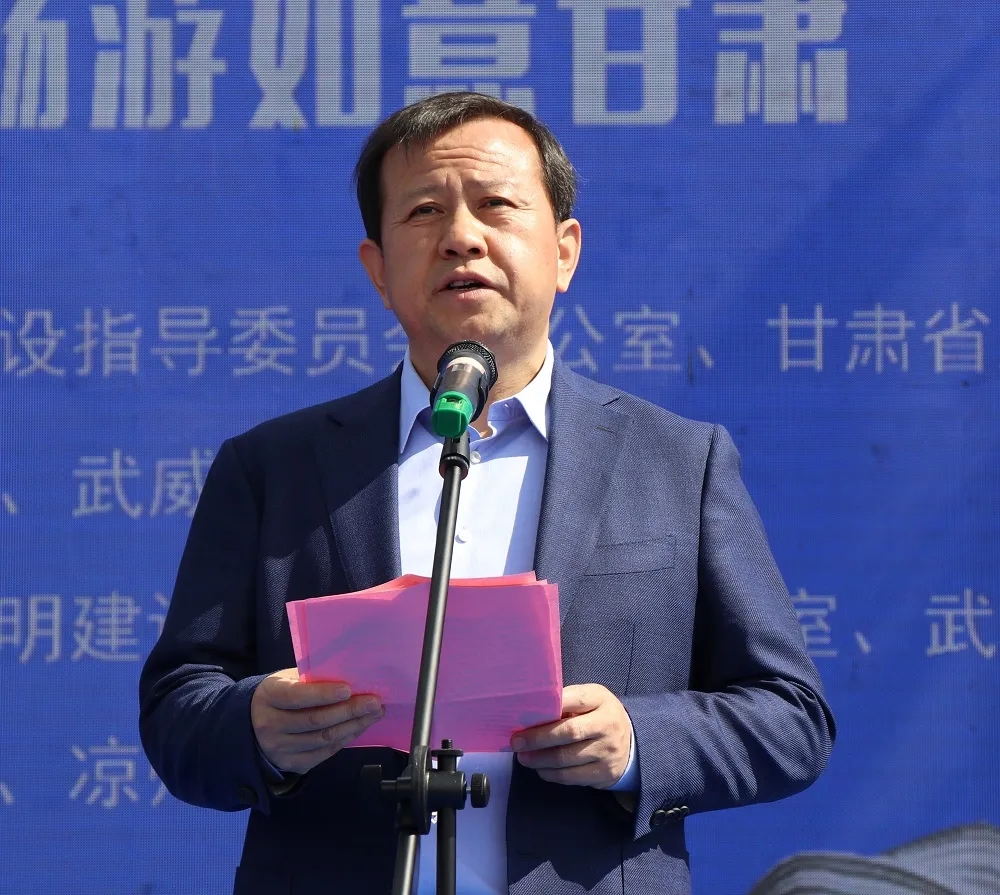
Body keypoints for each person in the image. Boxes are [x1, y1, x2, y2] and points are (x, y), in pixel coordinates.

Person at [139, 92, 836, 895]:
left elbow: (792, 717)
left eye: (496, 204)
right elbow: (177, 710)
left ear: (565, 251)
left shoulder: (678, 461)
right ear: (377, 269)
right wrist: (257, 725)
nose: (461, 236)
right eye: (424, 210)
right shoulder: (273, 468)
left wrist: (639, 738)